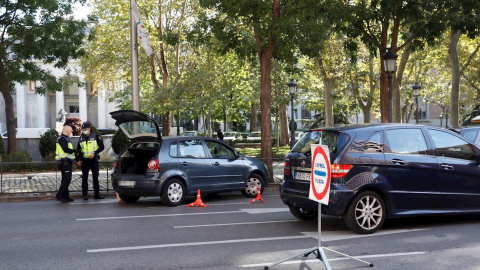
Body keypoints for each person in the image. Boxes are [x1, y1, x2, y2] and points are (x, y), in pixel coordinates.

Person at [76, 121, 105, 200]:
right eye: (83, 129)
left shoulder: (95, 136)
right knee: (84, 178)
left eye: (85, 129)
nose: (84, 130)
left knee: (95, 177)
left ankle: (97, 194)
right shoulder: (81, 138)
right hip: (84, 161)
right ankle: (85, 194)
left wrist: (95, 153)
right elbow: (79, 150)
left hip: (94, 160)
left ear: (89, 129)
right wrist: (77, 160)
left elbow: (102, 147)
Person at [55, 125, 80, 203]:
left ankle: (65, 197)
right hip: (64, 162)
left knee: (65, 179)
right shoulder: (62, 139)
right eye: (71, 131)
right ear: (67, 131)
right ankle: (59, 195)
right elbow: (66, 149)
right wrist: (76, 150)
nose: (71, 132)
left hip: (67, 161)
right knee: (67, 179)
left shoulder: (66, 138)